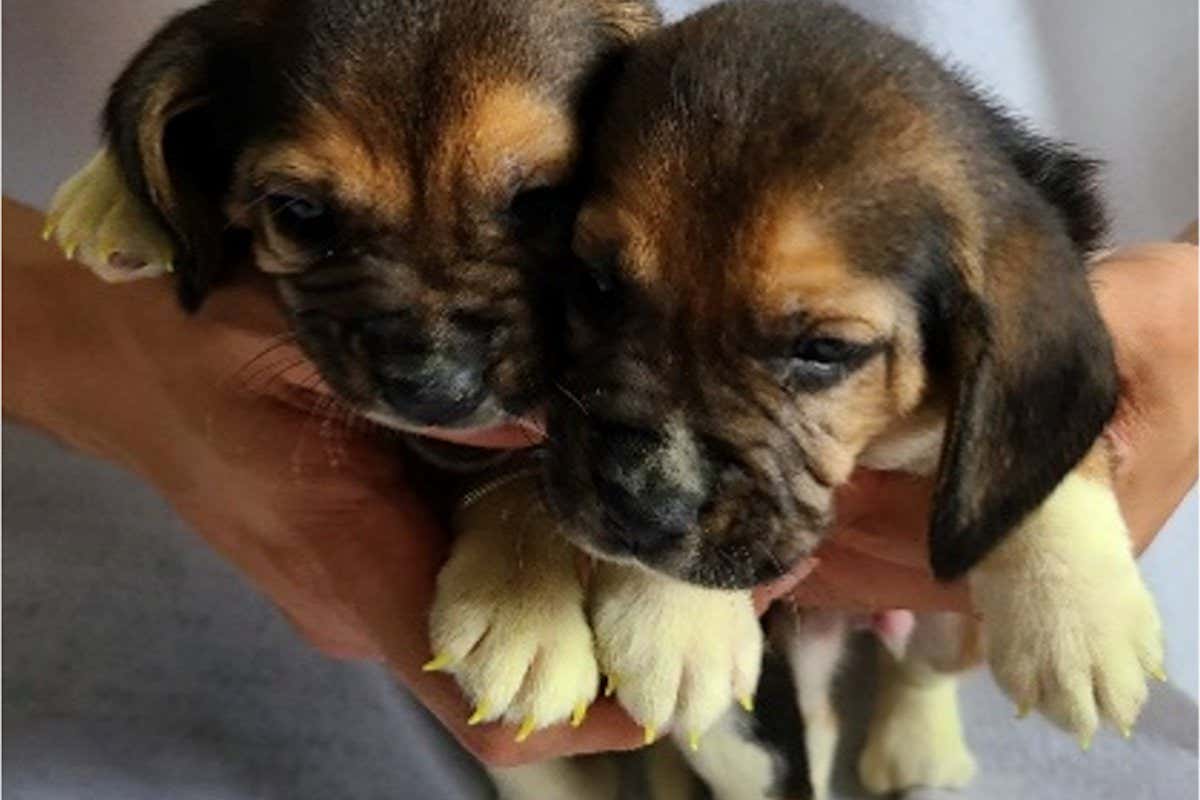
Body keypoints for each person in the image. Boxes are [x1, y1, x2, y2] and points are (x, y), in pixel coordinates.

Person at [4, 1, 1197, 798]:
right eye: (593, 275)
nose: (437, 356)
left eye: (534, 207)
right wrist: (57, 320)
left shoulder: (993, 284)